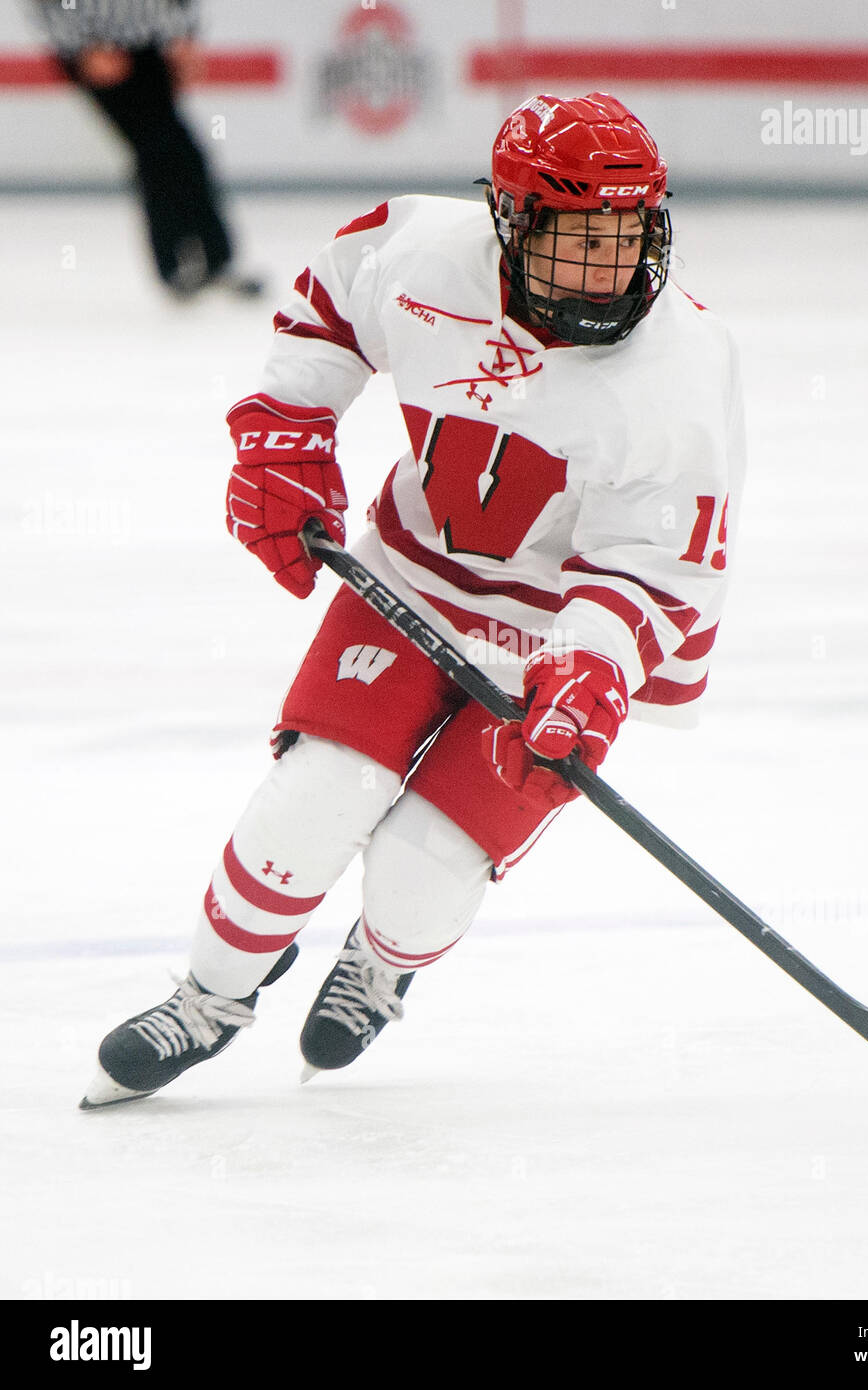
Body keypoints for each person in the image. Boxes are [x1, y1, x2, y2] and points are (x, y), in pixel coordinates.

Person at [80, 91, 747, 1108]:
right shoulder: (421, 253)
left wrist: (592, 668)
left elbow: (658, 564)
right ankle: (212, 996)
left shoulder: (684, 369)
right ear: (510, 223)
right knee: (314, 800)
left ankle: (382, 964)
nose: (606, 268)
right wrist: (287, 434)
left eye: (625, 233)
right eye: (575, 239)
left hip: (549, 639)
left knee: (424, 871)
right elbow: (329, 308)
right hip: (412, 578)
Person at [31, 0, 261, 298]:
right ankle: (184, 263)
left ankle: (206, 260)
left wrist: (184, 35)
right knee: (159, 150)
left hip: (147, 41)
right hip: (97, 46)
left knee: (179, 150)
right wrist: (81, 46)